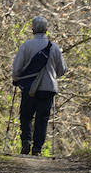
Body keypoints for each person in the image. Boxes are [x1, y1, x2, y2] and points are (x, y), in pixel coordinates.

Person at [10, 15, 67, 155]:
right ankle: (37, 149)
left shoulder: (26, 46)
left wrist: (17, 79)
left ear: (32, 29)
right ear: (46, 30)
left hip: (29, 87)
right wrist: (52, 76)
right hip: (48, 89)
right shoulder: (54, 47)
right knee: (42, 118)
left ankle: (26, 141)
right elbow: (62, 69)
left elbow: (17, 68)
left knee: (26, 115)